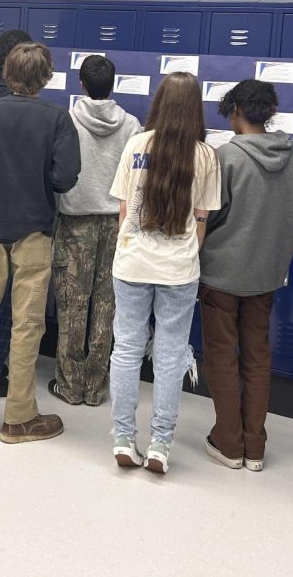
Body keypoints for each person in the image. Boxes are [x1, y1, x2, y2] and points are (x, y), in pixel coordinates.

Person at [0, 42, 80, 444]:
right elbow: (65, 178)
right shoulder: (57, 118)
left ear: (8, 74)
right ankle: (19, 418)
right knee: (27, 325)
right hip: (34, 232)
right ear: (46, 77)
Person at [108, 71, 220, 475]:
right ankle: (159, 445)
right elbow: (203, 218)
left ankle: (123, 438)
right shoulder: (206, 156)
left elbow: (123, 211)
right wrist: (188, 251)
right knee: (171, 356)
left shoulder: (137, 144)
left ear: (158, 103)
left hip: (132, 262)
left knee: (126, 350)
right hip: (179, 269)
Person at [198, 80, 293, 472]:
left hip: (222, 275)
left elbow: (211, 214)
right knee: (257, 355)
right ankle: (255, 447)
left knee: (221, 357)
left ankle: (228, 443)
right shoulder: (291, 159)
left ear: (235, 111)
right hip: (266, 275)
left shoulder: (226, 157)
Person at [49, 55, 141, 407]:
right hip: (117, 223)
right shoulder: (132, 124)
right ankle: (95, 386)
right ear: (113, 84)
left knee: (73, 304)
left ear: (81, 84)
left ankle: (70, 386)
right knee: (107, 303)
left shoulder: (67, 119)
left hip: (75, 221)